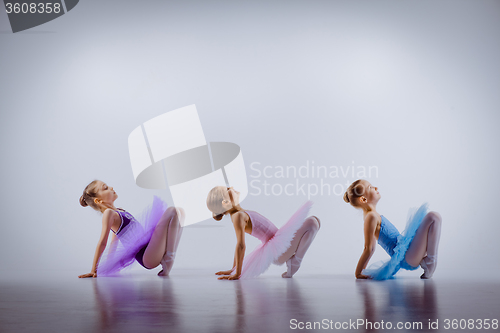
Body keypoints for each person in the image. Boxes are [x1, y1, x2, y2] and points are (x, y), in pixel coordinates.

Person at [206, 186, 320, 280]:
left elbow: (239, 246)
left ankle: (293, 260)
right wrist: (237, 273)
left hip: (279, 240)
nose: (231, 187)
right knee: (312, 223)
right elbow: (240, 245)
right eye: (227, 189)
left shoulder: (240, 213)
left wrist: (234, 268)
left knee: (315, 221)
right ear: (226, 202)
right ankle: (295, 262)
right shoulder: (237, 216)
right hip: (277, 249)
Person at [78, 180, 183, 278]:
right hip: (146, 255)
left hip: (152, 249)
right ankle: (169, 258)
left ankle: (167, 257)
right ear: (98, 200)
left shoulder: (119, 211)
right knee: (172, 211)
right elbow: (102, 243)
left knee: (180, 213)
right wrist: (94, 270)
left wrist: (112, 263)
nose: (111, 187)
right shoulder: (108, 213)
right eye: (105, 188)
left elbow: (114, 240)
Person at [343, 179, 442, 280]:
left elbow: (370, 248)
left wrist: (361, 272)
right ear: (363, 199)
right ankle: (430, 262)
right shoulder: (371, 217)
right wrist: (359, 272)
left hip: (409, 250)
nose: (375, 187)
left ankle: (428, 261)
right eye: (370, 187)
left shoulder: (374, 216)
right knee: (433, 217)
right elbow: (369, 248)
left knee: (434, 218)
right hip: (406, 257)